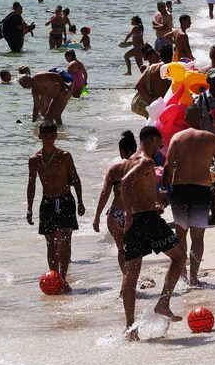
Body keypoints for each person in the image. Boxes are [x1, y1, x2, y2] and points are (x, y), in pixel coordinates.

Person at [120, 126, 186, 341]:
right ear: (154, 140)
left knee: (131, 275)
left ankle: (130, 328)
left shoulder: (130, 160)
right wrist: (128, 213)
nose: (160, 149)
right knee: (180, 257)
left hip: (137, 220)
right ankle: (163, 303)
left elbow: (136, 186)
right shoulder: (147, 161)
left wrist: (155, 201)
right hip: (146, 220)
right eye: (160, 144)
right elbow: (125, 182)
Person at [164, 104, 215, 285]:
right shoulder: (211, 138)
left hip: (180, 189)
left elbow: (167, 167)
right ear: (202, 118)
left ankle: (182, 275)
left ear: (185, 120)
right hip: (202, 189)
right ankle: (194, 278)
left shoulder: (177, 138)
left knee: (180, 234)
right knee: (198, 236)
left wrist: (163, 191)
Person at [27, 121, 85, 293]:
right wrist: (29, 208)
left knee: (65, 240)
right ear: (40, 136)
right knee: (51, 243)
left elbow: (75, 179)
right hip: (48, 202)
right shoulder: (34, 160)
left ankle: (63, 278)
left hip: (65, 199)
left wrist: (80, 201)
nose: (49, 139)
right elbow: (31, 185)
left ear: (56, 136)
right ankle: (54, 277)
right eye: (46, 135)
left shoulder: (64, 156)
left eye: (52, 135)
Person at [93, 130, 137, 284]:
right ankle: (132, 281)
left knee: (121, 249)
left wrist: (97, 217)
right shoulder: (140, 165)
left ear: (121, 151)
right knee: (134, 250)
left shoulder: (113, 168)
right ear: (135, 149)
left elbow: (105, 193)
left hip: (115, 214)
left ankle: (126, 280)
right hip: (134, 213)